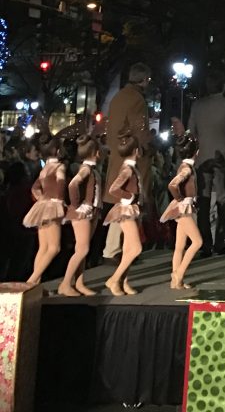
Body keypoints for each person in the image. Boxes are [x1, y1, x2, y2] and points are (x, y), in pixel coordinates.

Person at [187, 69, 225, 257]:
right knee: (224, 199)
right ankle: (221, 242)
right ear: (224, 86)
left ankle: (204, 243)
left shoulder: (198, 106)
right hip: (224, 158)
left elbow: (191, 131)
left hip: (203, 157)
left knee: (203, 201)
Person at [104, 63, 153, 260]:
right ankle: (122, 248)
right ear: (144, 80)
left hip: (117, 154)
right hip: (132, 156)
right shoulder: (137, 100)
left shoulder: (119, 97)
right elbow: (139, 129)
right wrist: (147, 148)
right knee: (133, 199)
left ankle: (113, 247)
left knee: (121, 202)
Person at [59, 135, 103, 296]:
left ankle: (79, 283)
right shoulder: (85, 168)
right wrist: (77, 205)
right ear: (95, 152)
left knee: (83, 248)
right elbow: (72, 184)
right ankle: (65, 283)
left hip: (91, 211)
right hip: (83, 212)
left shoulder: (90, 168)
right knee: (83, 249)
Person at [103, 135, 144, 296]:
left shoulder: (131, 167)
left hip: (131, 209)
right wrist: (129, 197)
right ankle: (114, 279)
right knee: (136, 248)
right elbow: (113, 188)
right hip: (126, 210)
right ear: (135, 151)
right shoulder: (127, 169)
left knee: (128, 249)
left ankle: (123, 282)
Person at [161, 133, 203, 290]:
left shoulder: (187, 166)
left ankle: (176, 280)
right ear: (196, 152)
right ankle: (178, 274)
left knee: (180, 245)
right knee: (197, 242)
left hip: (185, 206)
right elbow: (172, 185)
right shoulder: (186, 168)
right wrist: (179, 199)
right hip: (183, 207)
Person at [23, 137, 67, 286]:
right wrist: (58, 202)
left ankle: (35, 284)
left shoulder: (45, 169)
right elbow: (61, 187)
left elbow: (34, 188)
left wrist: (42, 199)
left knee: (43, 248)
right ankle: (31, 281)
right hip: (53, 207)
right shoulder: (59, 167)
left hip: (42, 206)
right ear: (58, 150)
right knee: (54, 247)